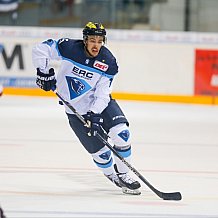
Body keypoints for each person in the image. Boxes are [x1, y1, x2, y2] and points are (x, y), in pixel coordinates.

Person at [32, 21, 141, 195]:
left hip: (100, 104)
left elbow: (103, 94)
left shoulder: (108, 61)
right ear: (85, 40)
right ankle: (111, 174)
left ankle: (124, 174)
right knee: (102, 154)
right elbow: (41, 49)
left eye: (99, 41)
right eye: (92, 40)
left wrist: (95, 113)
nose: (96, 45)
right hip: (75, 110)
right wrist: (43, 72)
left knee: (122, 134)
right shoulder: (69, 47)